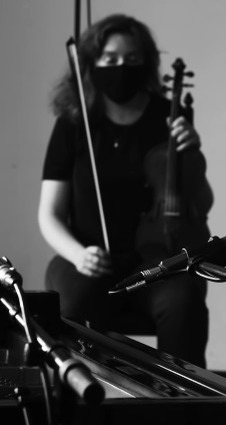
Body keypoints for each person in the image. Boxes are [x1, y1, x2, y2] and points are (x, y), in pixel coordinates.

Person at [38, 14, 212, 368]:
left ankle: (184, 407)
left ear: (146, 63)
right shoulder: (75, 121)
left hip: (157, 259)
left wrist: (192, 153)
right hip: (88, 257)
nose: (122, 68)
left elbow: (201, 204)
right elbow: (49, 214)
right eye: (111, 59)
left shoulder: (167, 115)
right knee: (70, 308)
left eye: (133, 59)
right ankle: (76, 402)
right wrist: (77, 254)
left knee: (185, 299)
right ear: (92, 63)